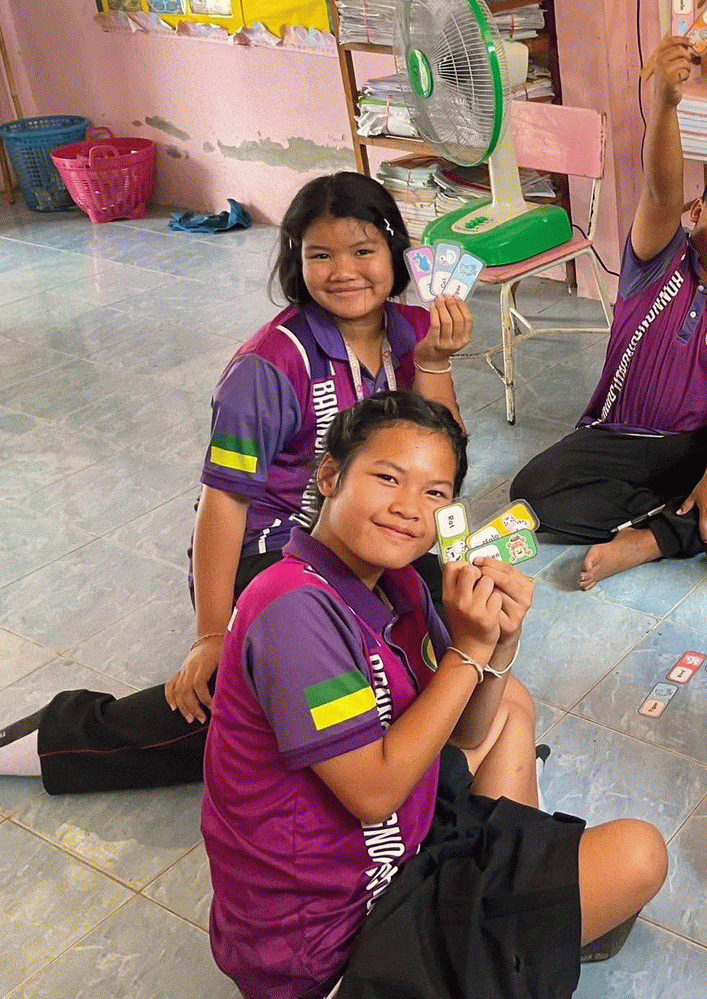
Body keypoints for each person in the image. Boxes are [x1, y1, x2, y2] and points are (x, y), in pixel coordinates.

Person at [0, 171, 473, 793]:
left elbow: (443, 460)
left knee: (448, 622)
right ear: (295, 260)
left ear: (395, 253)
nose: (343, 272)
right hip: (274, 554)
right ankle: (59, 739)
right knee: (268, 699)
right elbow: (223, 502)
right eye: (320, 256)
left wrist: (434, 363)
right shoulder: (266, 367)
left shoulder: (412, 330)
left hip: (361, 536)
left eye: (363, 251)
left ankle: (408, 753)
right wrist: (211, 634)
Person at [202, 391, 667, 999]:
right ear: (330, 476)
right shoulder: (292, 611)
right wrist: (467, 652)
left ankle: (509, 897)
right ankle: (503, 926)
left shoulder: (398, 584)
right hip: (332, 939)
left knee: (510, 703)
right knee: (639, 856)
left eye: (435, 493)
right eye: (387, 478)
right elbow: (373, 794)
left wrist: (497, 643)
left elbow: (469, 730)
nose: (408, 508)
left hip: (402, 846)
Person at [511, 35, 707, 590]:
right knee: (532, 494)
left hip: (696, 444)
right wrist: (666, 101)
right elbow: (660, 191)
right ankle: (680, 520)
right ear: (697, 210)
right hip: (622, 437)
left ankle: (661, 531)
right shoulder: (659, 254)